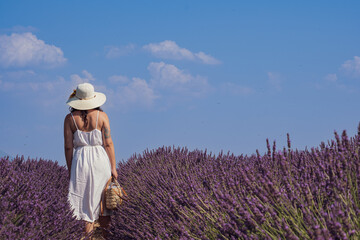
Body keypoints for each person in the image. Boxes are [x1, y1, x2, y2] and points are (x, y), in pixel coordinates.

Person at [64, 82, 118, 238]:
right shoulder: (102, 116)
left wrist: (70, 169)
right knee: (103, 201)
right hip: (100, 160)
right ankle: (107, 236)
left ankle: (87, 237)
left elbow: (68, 147)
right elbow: (108, 143)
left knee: (84, 203)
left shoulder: (69, 119)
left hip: (80, 161)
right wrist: (113, 167)